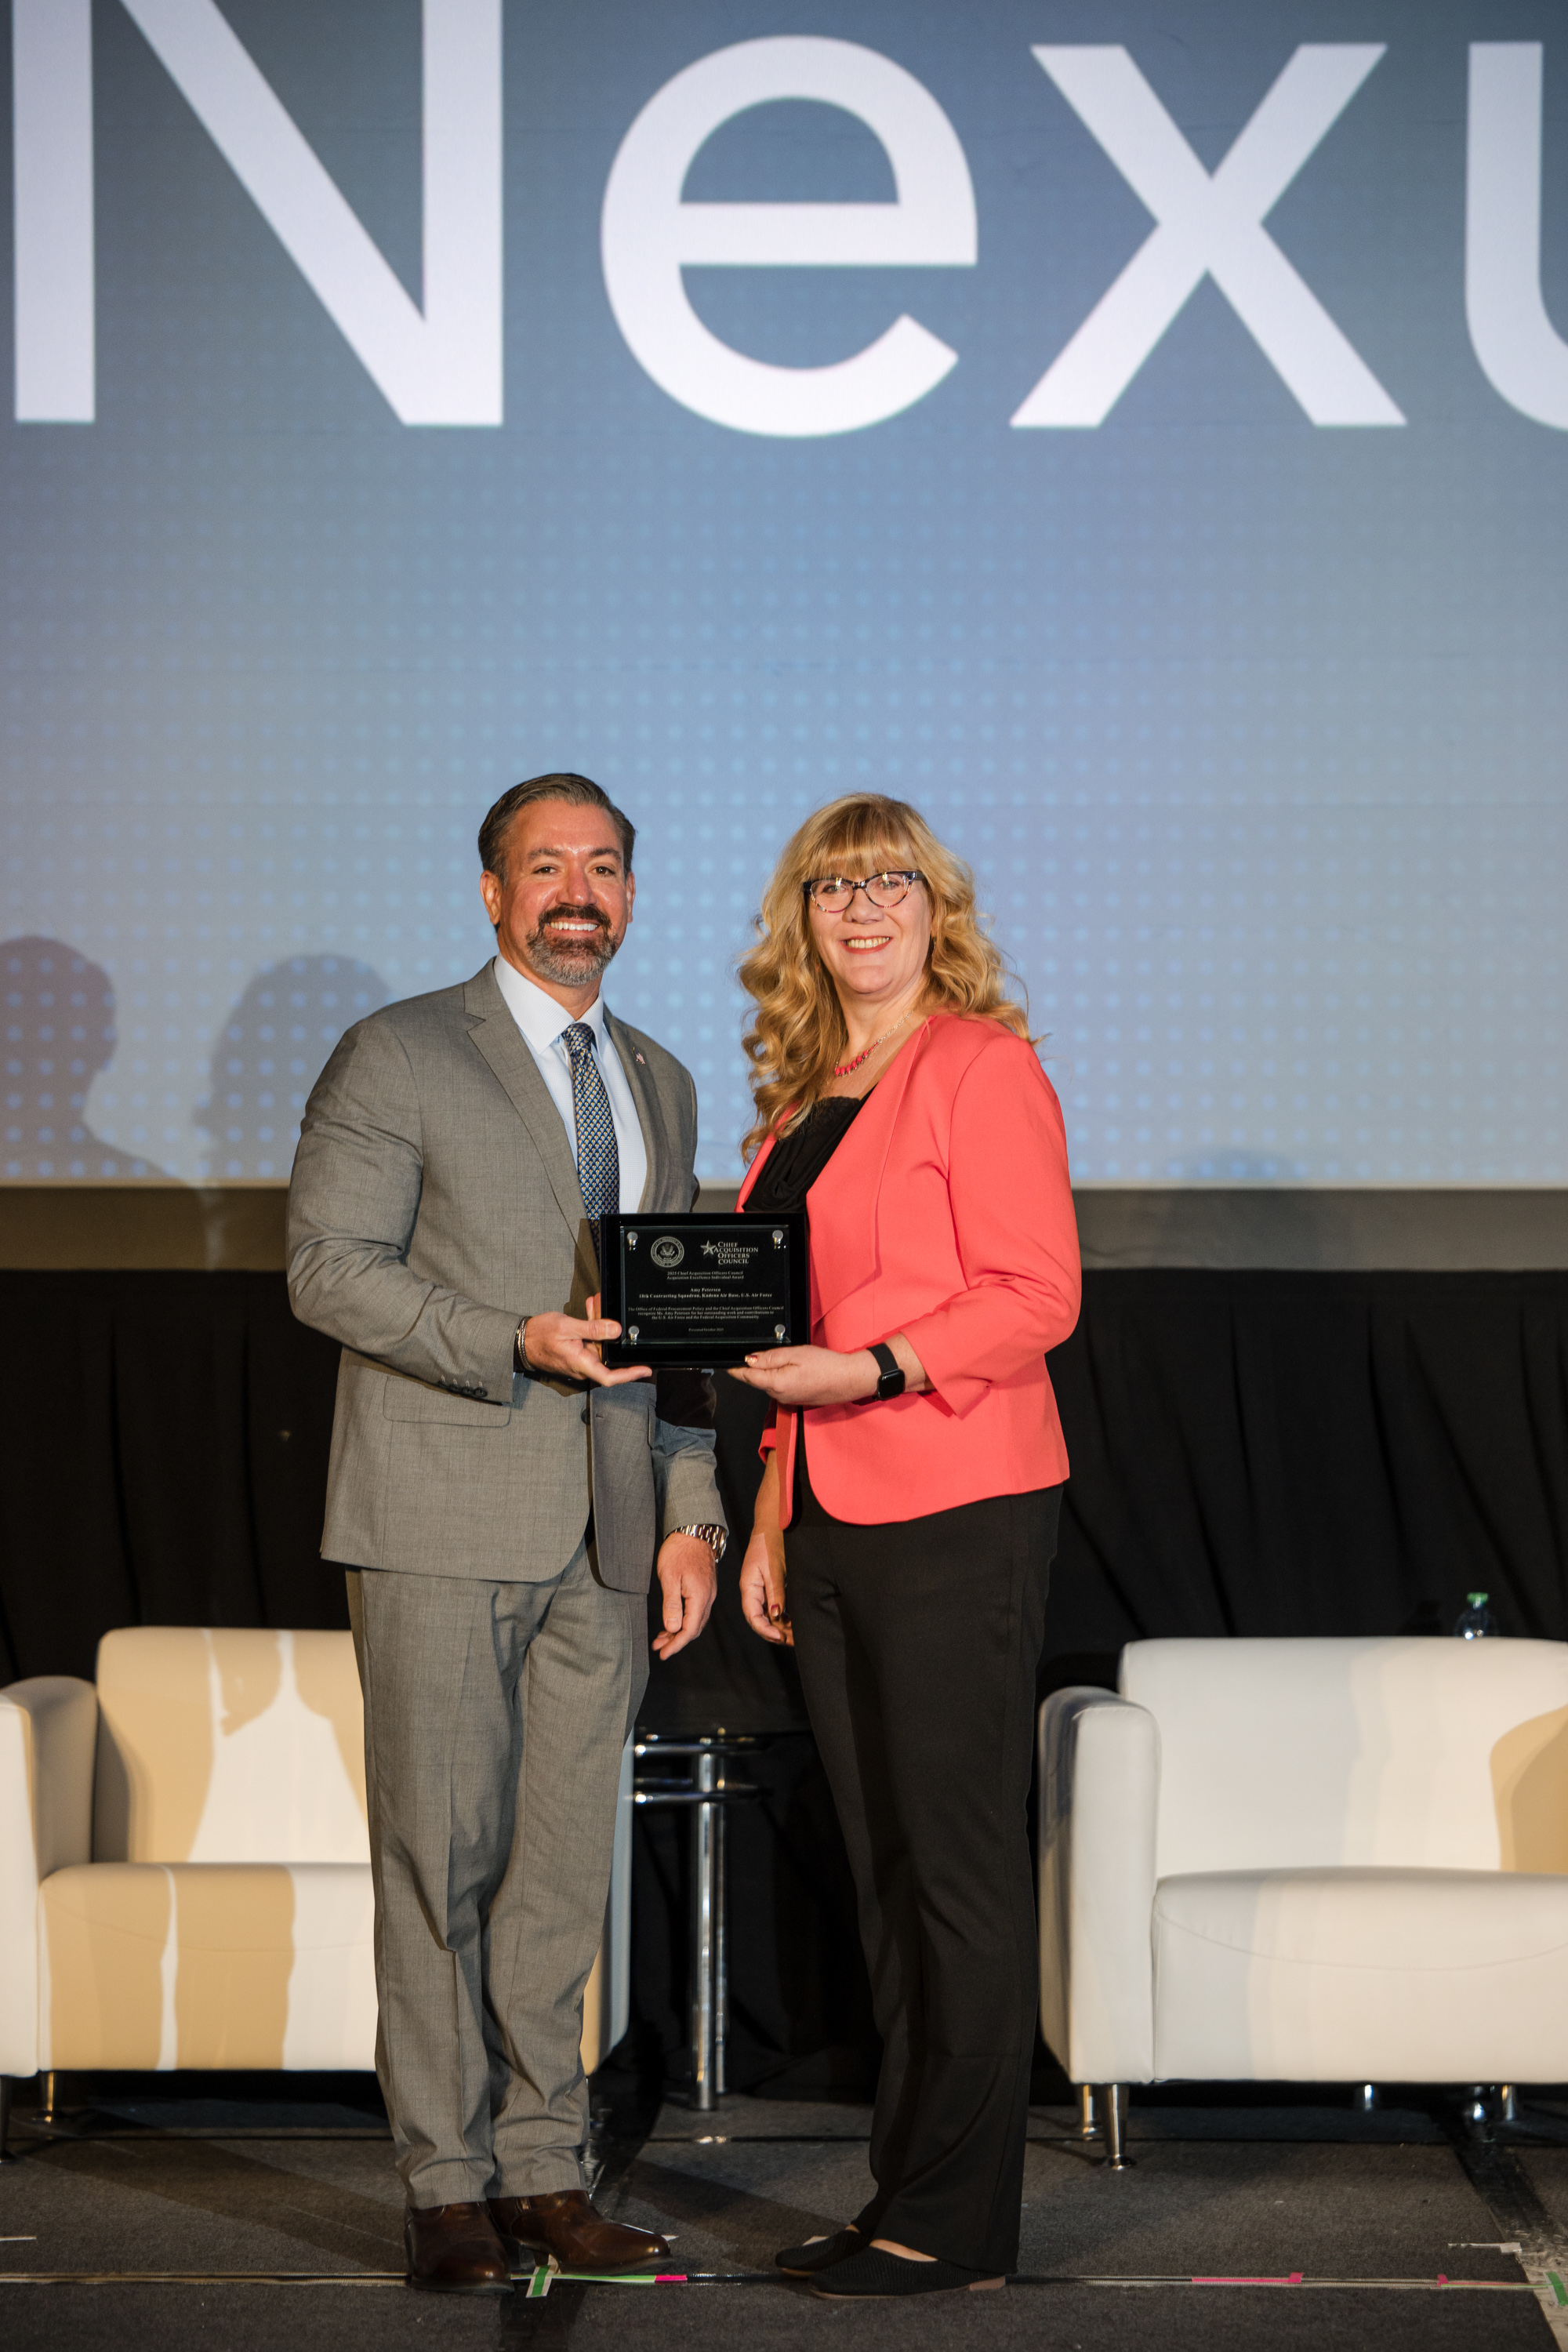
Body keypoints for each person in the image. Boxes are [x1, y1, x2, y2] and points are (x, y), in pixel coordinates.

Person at [287, 773, 728, 2295]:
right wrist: (510, 1338)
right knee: (440, 1861)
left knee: (557, 1877)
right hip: (434, 1517)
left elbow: (682, 1336)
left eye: (603, 866)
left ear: (630, 893)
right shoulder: (399, 1051)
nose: (576, 892)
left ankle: (545, 2170)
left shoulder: (660, 1080)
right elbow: (327, 1271)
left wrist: (689, 1517)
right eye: (546, 867)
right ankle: (442, 2185)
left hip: (606, 1539)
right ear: (491, 892)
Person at [729, 793, 1080, 2300]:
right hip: (829, 1515)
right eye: (831, 888)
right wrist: (765, 1510)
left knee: (955, 1874)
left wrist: (872, 1375)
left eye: (891, 883)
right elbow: (776, 1337)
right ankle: (901, 2200)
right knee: (883, 1871)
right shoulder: (806, 1095)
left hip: (957, 1504)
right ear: (799, 921)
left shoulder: (979, 1066)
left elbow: (1034, 1295)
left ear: (938, 907)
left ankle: (957, 2224)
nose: (861, 909)